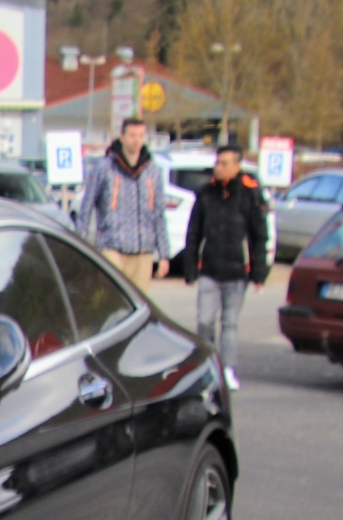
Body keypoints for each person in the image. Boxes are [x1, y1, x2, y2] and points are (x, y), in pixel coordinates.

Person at [174, 141, 273, 388]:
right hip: (209, 269)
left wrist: (259, 272)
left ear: (237, 166)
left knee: (230, 322)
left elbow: (259, 235)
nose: (218, 167)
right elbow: (193, 231)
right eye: (217, 162)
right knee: (204, 321)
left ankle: (228, 369)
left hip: (237, 272)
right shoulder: (206, 194)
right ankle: (204, 367)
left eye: (224, 163)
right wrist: (190, 268)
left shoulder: (249, 195)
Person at [75, 118, 168, 280]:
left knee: (138, 302)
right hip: (112, 247)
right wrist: (79, 243)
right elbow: (87, 205)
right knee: (113, 300)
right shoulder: (105, 168)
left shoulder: (152, 171)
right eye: (132, 135)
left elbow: (159, 214)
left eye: (140, 135)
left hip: (143, 250)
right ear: (122, 137)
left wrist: (164, 254)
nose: (136, 140)